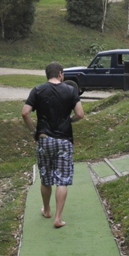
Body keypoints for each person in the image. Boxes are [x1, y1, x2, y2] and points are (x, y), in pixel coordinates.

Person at [22, 61, 84, 228]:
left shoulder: (37, 90)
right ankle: (58, 218)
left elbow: (25, 112)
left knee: (46, 178)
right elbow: (80, 114)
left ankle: (47, 210)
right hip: (64, 140)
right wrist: (69, 120)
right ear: (61, 74)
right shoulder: (71, 90)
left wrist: (33, 131)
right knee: (62, 180)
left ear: (47, 75)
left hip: (44, 138)